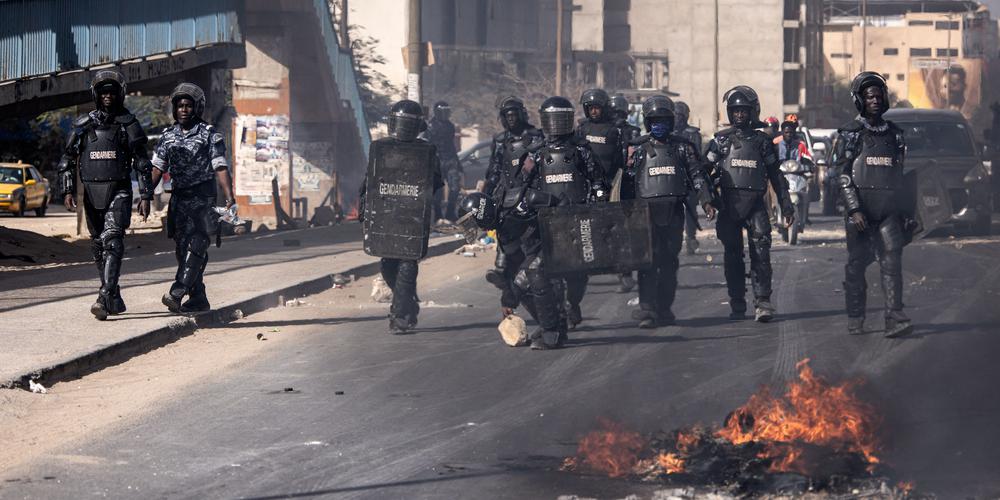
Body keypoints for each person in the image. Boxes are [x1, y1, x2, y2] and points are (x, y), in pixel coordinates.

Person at [58, 70, 154, 320]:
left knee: (113, 240)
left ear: (120, 93)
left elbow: (143, 162)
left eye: (112, 91)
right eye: (103, 92)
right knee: (99, 246)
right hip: (90, 192)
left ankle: (103, 295)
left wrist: (145, 195)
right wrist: (67, 189)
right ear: (96, 95)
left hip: (119, 190)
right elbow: (67, 159)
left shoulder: (129, 123)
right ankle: (113, 295)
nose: (108, 96)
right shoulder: (83, 125)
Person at [519, 96, 607, 347]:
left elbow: (599, 184)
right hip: (544, 226)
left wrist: (595, 209)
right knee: (523, 282)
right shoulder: (535, 153)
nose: (556, 125)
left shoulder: (581, 150)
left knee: (565, 277)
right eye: (552, 119)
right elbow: (521, 189)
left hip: (576, 224)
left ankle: (553, 331)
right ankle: (553, 325)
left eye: (561, 119)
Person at [705, 86, 794, 322]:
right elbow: (702, 171)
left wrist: (786, 205)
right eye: (735, 111)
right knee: (732, 256)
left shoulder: (763, 142)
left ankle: (763, 301)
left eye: (744, 111)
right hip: (729, 205)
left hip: (756, 204)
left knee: (761, 253)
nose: (740, 116)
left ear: (753, 112)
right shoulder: (721, 142)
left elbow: (776, 175)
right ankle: (737, 302)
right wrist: (709, 200)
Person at [626, 95, 715, 328]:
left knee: (668, 262)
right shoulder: (637, 149)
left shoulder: (683, 148)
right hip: (644, 214)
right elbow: (625, 182)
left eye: (664, 120)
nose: (659, 124)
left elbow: (697, 175)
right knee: (647, 262)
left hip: (674, 212)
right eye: (654, 120)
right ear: (647, 121)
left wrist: (706, 201)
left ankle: (664, 308)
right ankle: (647, 308)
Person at [836, 72, 914, 338]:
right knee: (856, 266)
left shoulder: (895, 135)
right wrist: (854, 209)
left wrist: (906, 212)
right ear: (859, 100)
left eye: (879, 96)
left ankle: (894, 316)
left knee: (892, 262)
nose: (875, 101)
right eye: (870, 96)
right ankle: (856, 316)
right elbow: (842, 174)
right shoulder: (849, 134)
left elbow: (900, 176)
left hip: (889, 211)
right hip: (860, 212)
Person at [150, 83, 235, 314]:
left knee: (197, 244)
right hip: (179, 199)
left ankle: (177, 291)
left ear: (196, 108)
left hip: (203, 196)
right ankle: (198, 297)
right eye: (179, 106)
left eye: (188, 105)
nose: (184, 110)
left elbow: (220, 167)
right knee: (181, 249)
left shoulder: (209, 134)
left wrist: (229, 196)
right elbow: (157, 167)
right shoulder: (167, 136)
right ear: (174, 109)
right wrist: (147, 194)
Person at [360, 100, 443, 334]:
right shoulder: (381, 148)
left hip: (411, 217)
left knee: (407, 265)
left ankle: (399, 317)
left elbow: (434, 182)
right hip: (386, 215)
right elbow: (370, 183)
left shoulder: (426, 151)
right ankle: (407, 303)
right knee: (387, 266)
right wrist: (365, 213)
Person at [482, 97, 544, 319]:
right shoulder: (500, 141)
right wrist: (486, 200)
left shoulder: (536, 136)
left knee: (532, 258)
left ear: (522, 114)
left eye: (514, 113)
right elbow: (494, 171)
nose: (511, 118)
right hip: (506, 201)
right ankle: (508, 286)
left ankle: (549, 309)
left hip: (531, 200)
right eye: (506, 115)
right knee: (509, 258)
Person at [610, 93, 641, 292]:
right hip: (608, 183)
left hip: (628, 183)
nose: (617, 117)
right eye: (615, 113)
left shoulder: (633, 132)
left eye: (619, 113)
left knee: (626, 230)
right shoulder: (604, 131)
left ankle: (626, 273)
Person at [674, 101, 705, 255]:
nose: (677, 119)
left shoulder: (693, 134)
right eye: (675, 115)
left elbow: (698, 156)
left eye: (680, 115)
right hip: (672, 178)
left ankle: (690, 237)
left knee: (691, 210)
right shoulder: (667, 134)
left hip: (689, 176)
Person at [426, 101, 462, 222]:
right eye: (443, 111)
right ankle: (438, 214)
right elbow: (428, 146)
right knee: (438, 191)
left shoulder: (450, 126)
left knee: (455, 188)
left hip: (450, 159)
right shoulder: (430, 127)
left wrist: (458, 162)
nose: (445, 114)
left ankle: (450, 212)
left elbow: (451, 144)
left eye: (447, 111)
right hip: (437, 161)